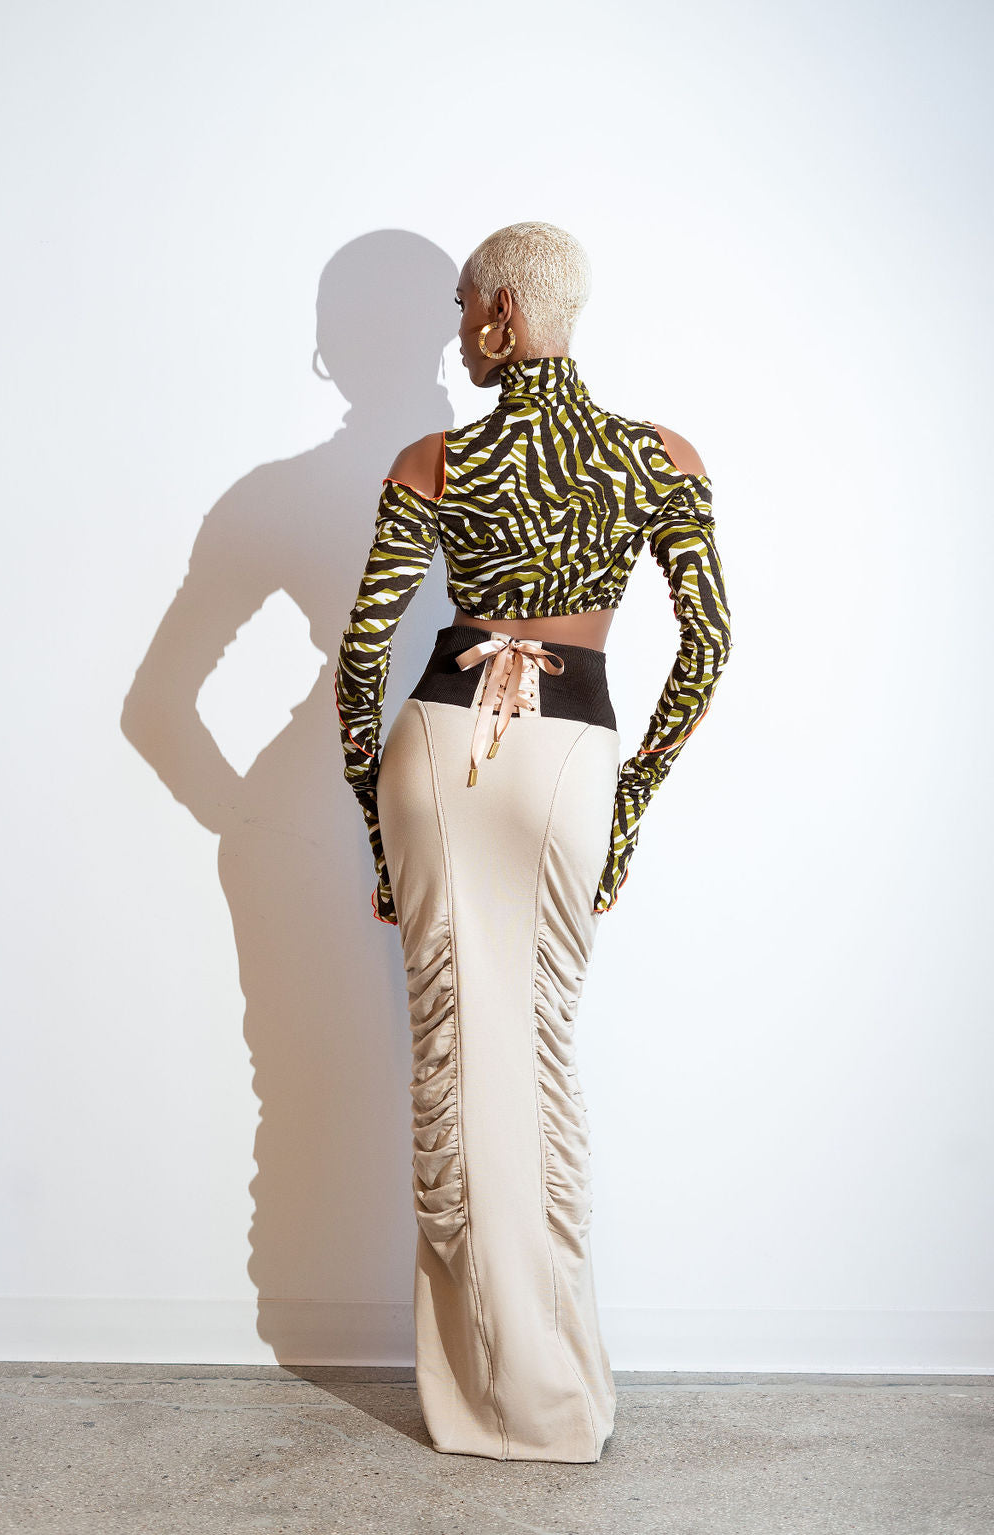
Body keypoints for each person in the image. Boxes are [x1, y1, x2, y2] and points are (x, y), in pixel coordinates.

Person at [333, 221, 732, 1462]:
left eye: (465, 306)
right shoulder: (658, 457)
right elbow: (708, 645)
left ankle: (497, 1394)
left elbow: (362, 661)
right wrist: (627, 806)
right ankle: (550, 1390)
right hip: (569, 759)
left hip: (440, 750)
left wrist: (374, 825)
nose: (459, 331)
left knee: (456, 1055)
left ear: (504, 314)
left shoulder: (434, 463)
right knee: (537, 1054)